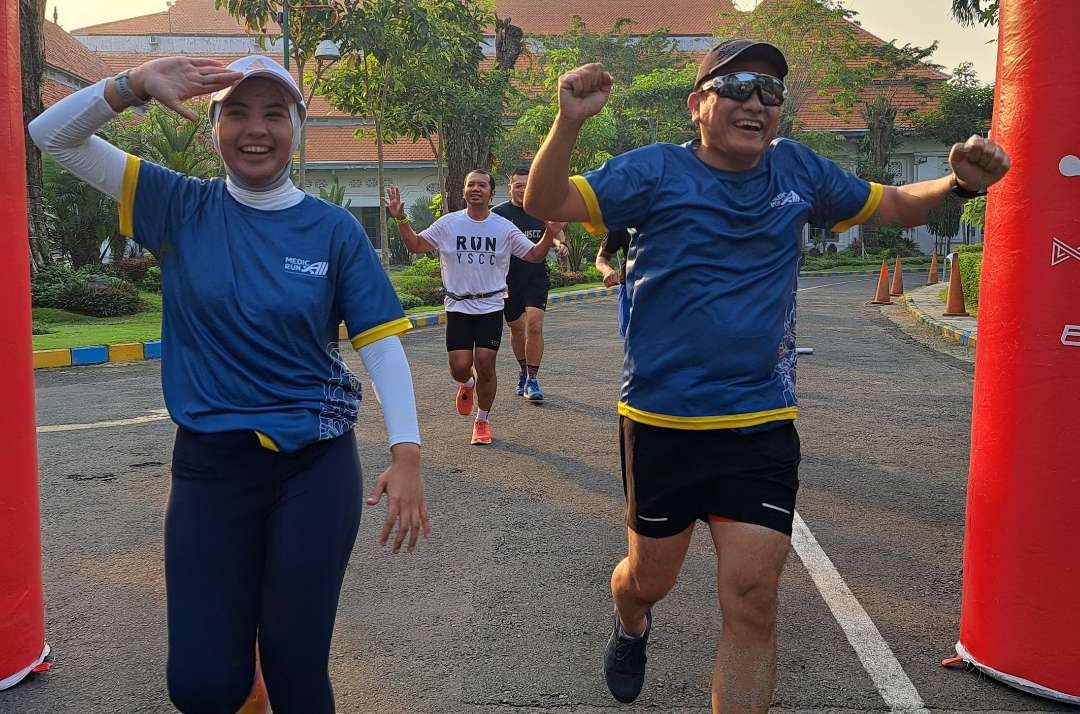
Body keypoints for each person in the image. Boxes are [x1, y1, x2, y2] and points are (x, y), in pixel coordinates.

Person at [523, 39, 1010, 712]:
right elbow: (547, 199)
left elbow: (898, 203)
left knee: (754, 602)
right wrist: (569, 120)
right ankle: (631, 621)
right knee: (648, 578)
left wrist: (958, 183)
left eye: (770, 93)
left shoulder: (799, 171)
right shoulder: (656, 173)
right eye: (740, 87)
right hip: (665, 423)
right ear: (699, 105)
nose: (757, 103)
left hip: (761, 424)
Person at [29, 55, 431, 714]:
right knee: (202, 686)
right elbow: (51, 135)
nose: (255, 129)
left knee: (298, 670)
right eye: (237, 111)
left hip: (314, 466)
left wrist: (406, 452)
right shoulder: (176, 205)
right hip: (210, 468)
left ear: (297, 128)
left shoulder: (332, 232)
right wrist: (131, 86)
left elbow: (380, 343)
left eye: (275, 113)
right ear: (214, 122)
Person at [386, 173, 563, 445]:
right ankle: (467, 385)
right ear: (464, 191)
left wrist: (550, 233)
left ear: (492, 194)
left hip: (490, 304)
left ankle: (482, 420)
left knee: (485, 364)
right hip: (458, 304)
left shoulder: (503, 227)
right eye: (471, 184)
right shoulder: (449, 224)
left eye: (482, 185)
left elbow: (533, 255)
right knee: (460, 367)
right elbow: (416, 244)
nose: (476, 189)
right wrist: (400, 218)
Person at [493, 166, 569, 401]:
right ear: (510, 187)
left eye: (527, 185)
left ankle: (533, 379)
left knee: (534, 326)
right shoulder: (498, 214)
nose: (522, 189)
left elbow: (556, 232)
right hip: (508, 280)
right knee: (517, 328)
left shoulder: (540, 210)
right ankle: (523, 370)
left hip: (536, 277)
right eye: (518, 185)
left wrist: (560, 244)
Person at [595, 227, 634, 337]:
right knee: (631, 338)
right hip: (630, 288)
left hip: (670, 287)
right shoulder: (623, 221)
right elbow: (602, 258)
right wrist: (607, 270)